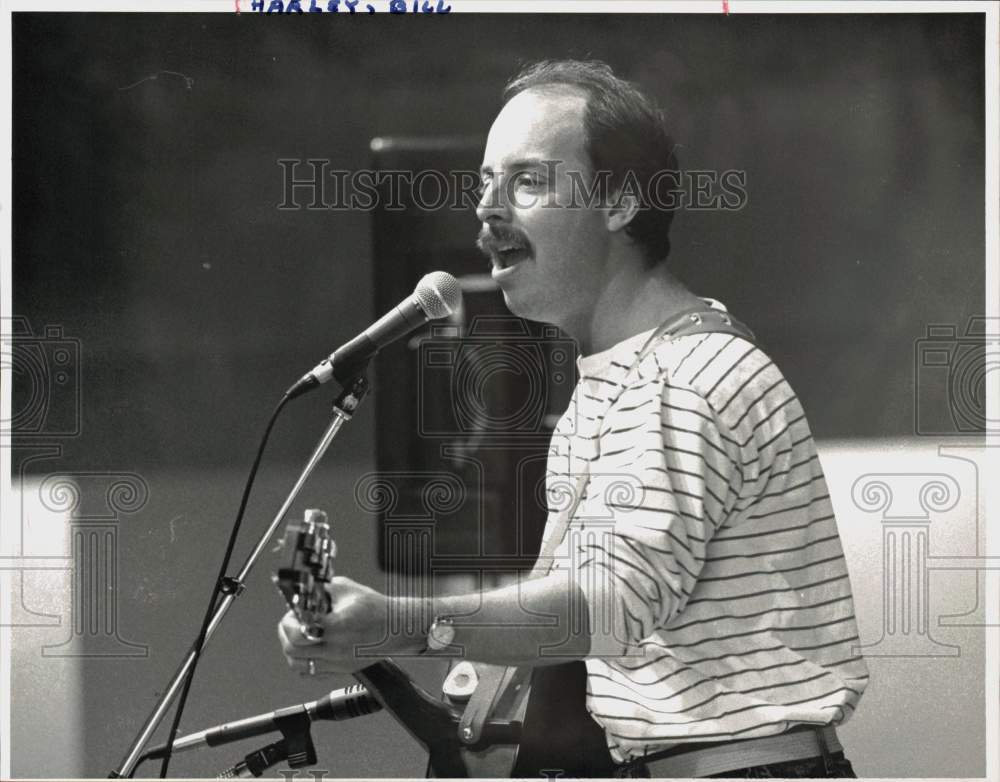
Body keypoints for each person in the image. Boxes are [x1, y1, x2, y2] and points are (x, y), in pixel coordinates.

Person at [278, 59, 869, 778]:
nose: (487, 212)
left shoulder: (685, 377)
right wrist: (433, 650)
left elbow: (611, 606)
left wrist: (401, 624)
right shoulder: (611, 379)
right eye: (483, 186)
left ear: (619, 202)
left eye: (527, 181)